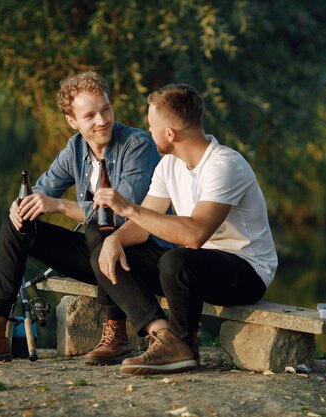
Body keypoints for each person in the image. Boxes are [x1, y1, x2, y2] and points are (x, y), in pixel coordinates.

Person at [0, 71, 165, 366]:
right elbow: (40, 191)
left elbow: (123, 217)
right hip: (101, 260)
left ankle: (117, 334)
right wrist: (20, 206)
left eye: (106, 109)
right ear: (72, 121)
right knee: (19, 224)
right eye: (90, 115)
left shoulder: (136, 145)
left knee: (100, 230)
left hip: (146, 258)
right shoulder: (74, 149)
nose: (102, 120)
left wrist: (60, 206)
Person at [91, 83, 278, 375]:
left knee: (176, 260)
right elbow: (142, 228)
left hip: (246, 271)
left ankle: (182, 343)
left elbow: (194, 234)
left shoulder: (225, 165)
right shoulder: (169, 166)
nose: (148, 131)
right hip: (196, 266)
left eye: (152, 126)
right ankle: (165, 339)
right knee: (105, 253)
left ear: (170, 134)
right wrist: (114, 239)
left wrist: (127, 208)